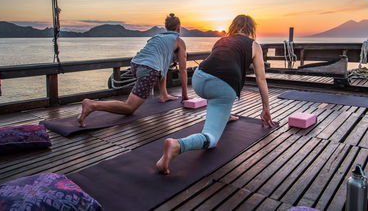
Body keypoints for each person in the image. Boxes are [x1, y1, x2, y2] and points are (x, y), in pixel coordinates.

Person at [156, 14, 274, 175]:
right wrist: (266, 108)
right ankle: (177, 145)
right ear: (251, 29)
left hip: (199, 79)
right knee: (210, 138)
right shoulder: (254, 46)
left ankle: (225, 113)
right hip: (222, 87)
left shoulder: (221, 41)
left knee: (220, 95)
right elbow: (261, 79)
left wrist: (225, 112)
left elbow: (219, 63)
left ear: (233, 27)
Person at [77, 13, 189, 127]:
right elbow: (183, 69)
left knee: (160, 67)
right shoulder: (179, 41)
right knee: (129, 107)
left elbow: (162, 67)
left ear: (166, 28)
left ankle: (164, 95)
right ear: (178, 28)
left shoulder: (158, 38)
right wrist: (184, 94)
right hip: (148, 70)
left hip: (135, 64)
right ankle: (92, 105)